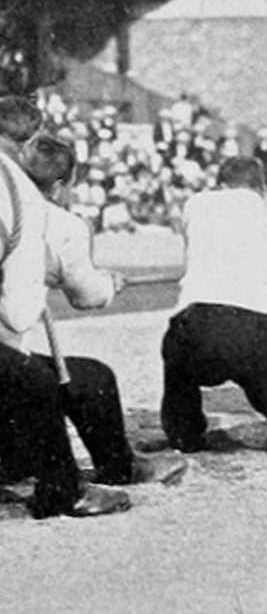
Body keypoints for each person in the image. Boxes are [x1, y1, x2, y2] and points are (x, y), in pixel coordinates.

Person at [6, 132, 187, 518]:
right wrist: (109, 284)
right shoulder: (57, 220)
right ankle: (119, 467)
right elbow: (86, 295)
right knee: (91, 377)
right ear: (59, 185)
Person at [160, 156, 267, 456]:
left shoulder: (198, 203)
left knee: (178, 365)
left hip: (203, 316)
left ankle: (185, 435)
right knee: (261, 377)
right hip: (264, 322)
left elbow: (193, 245)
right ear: (261, 187)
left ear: (221, 184)